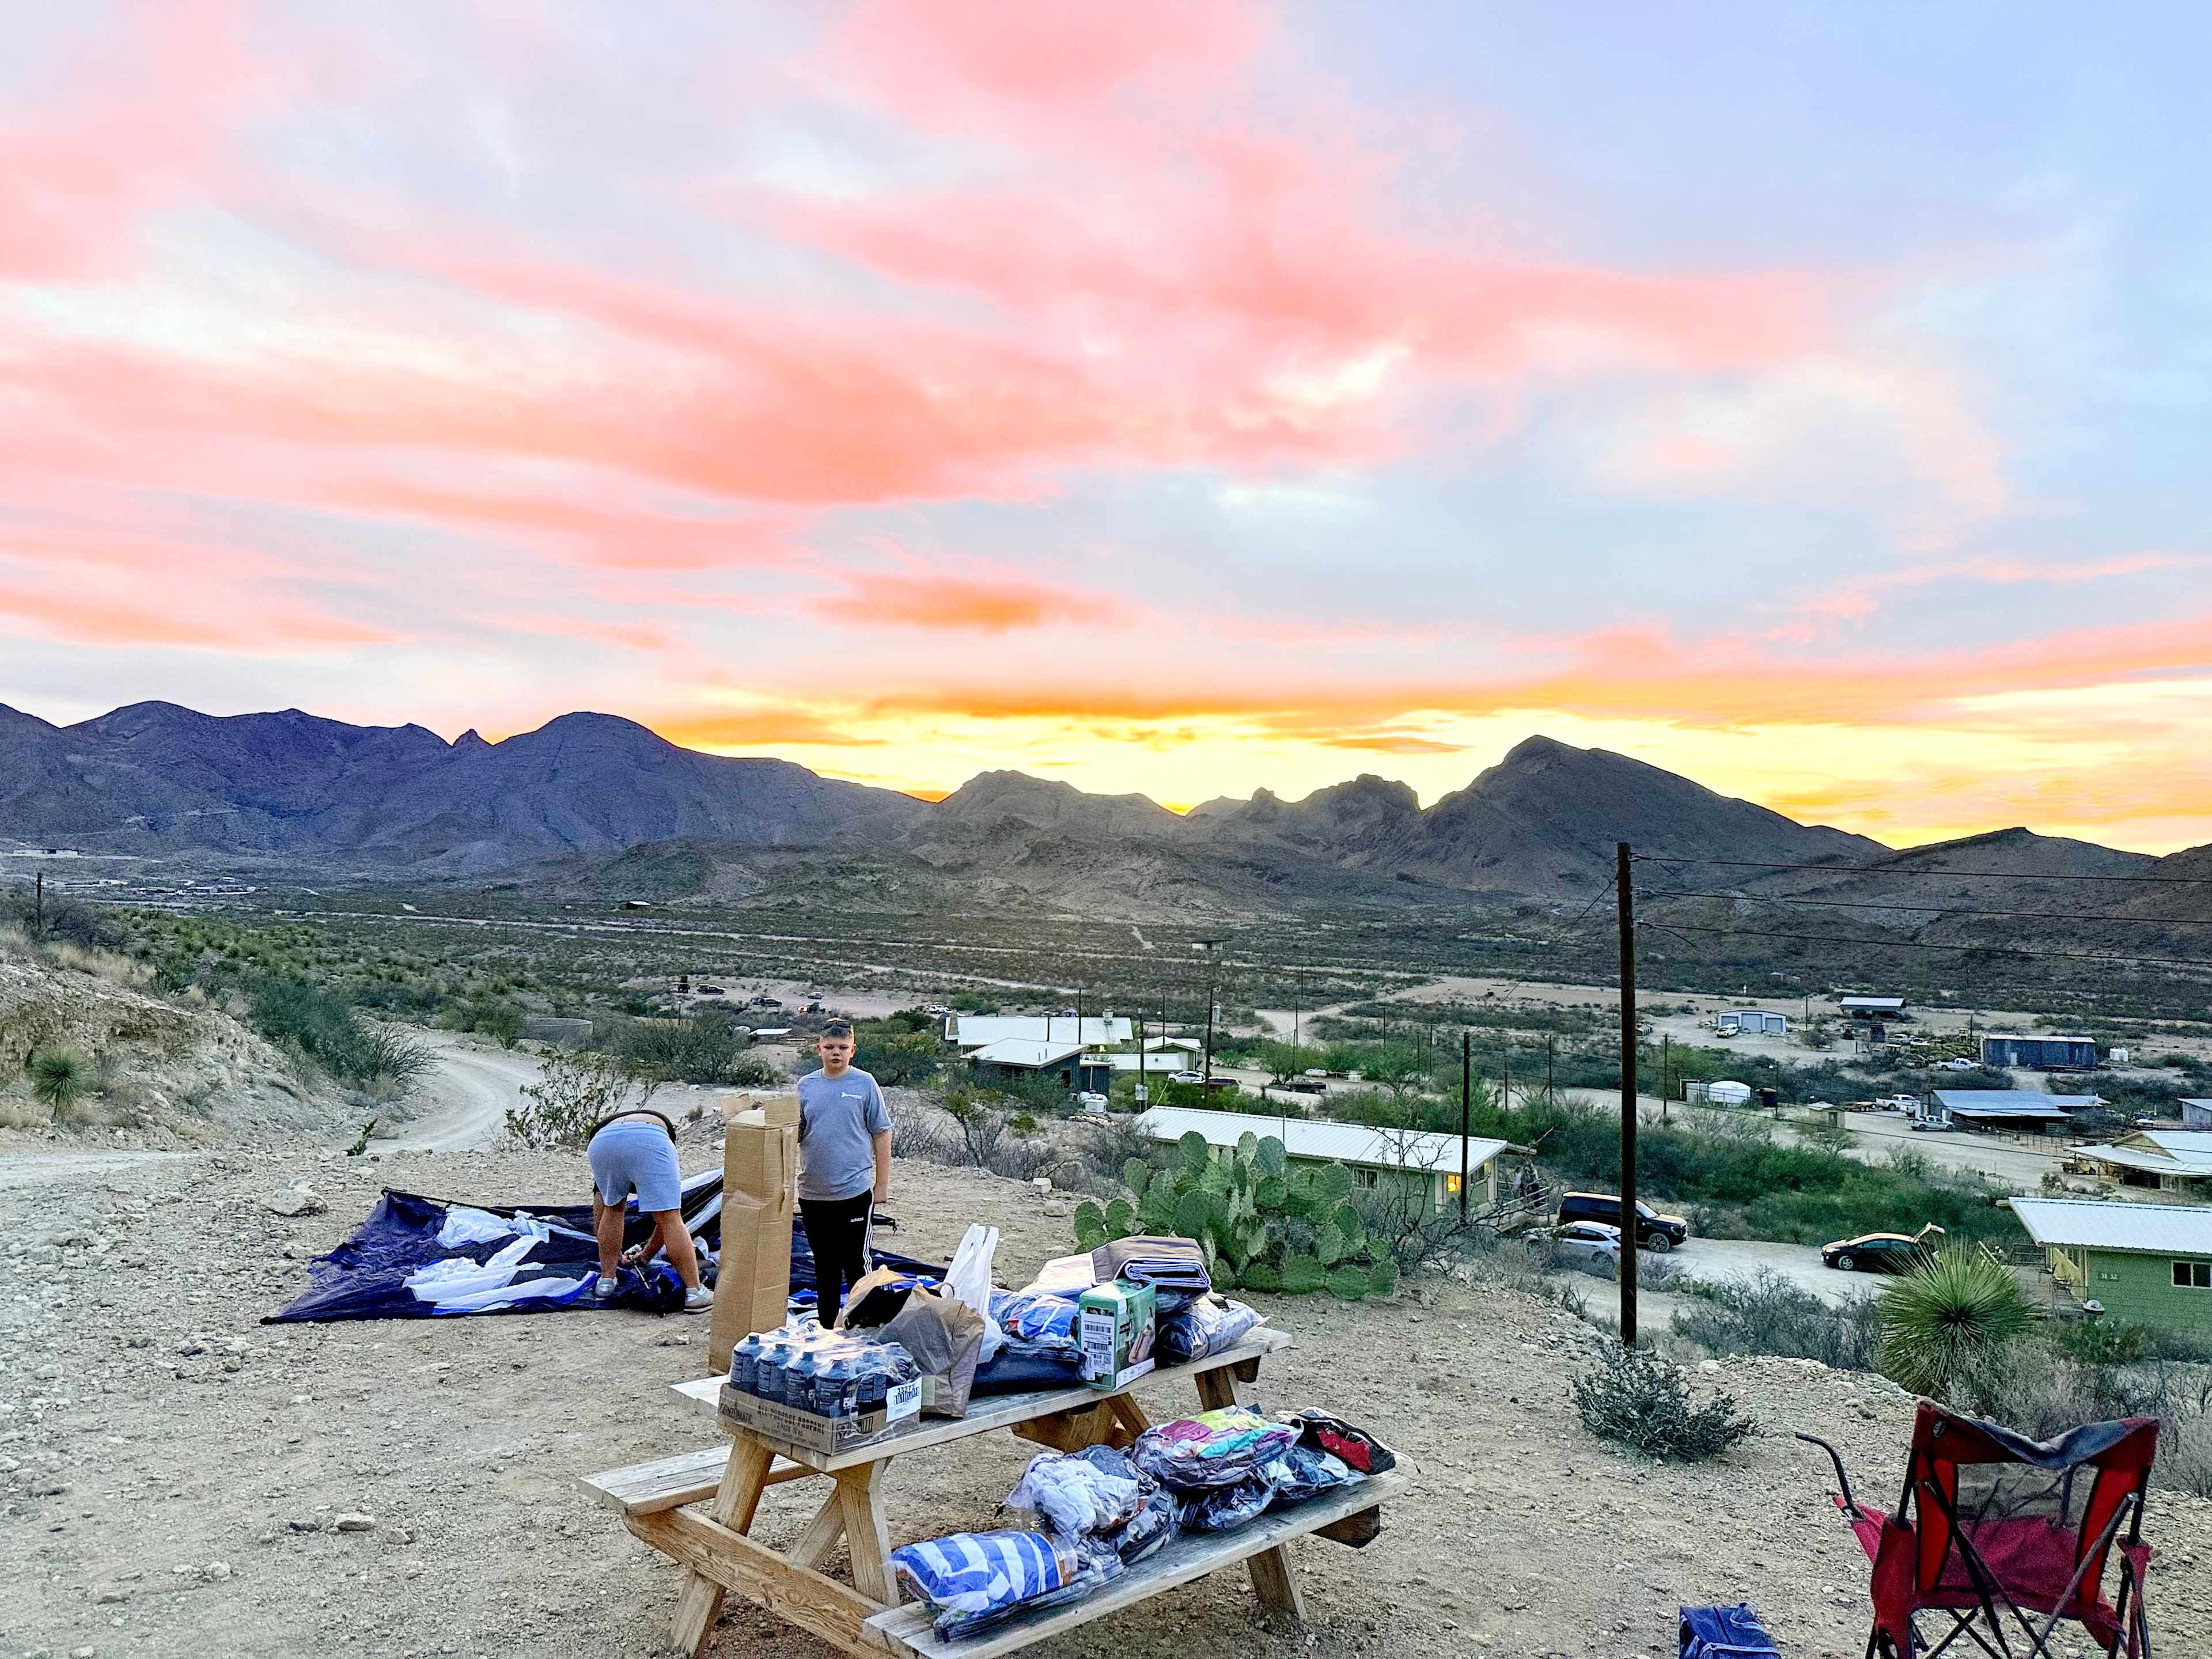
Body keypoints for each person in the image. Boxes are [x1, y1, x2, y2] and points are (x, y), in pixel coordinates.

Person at [797, 1020, 892, 1323]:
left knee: (855, 1263)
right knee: (823, 1264)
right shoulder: (805, 1086)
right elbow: (795, 1133)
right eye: (829, 1048)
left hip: (853, 1191)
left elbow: (882, 1132)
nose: (835, 1053)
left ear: (853, 1049)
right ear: (818, 1050)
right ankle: (827, 1327)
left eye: (842, 1048)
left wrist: (882, 1184)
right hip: (813, 1192)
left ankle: (862, 1324)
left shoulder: (864, 1083)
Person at [586, 1107, 713, 1312]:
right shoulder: (660, 1135)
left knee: (614, 1209)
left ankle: (606, 1283)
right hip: (649, 1136)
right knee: (670, 1217)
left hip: (601, 1143)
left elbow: (602, 1211)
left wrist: (614, 1254)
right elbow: (666, 1220)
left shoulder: (604, 1130)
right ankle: (695, 1292)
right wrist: (646, 1256)